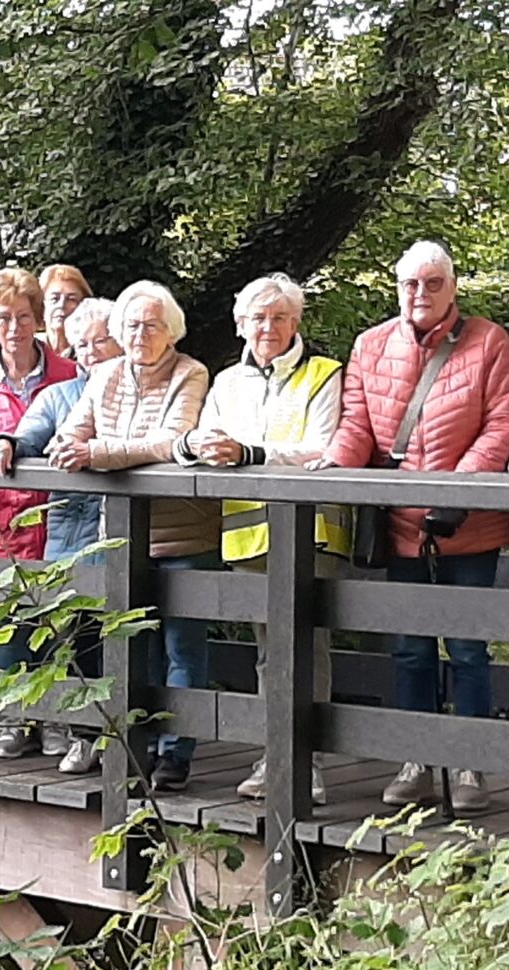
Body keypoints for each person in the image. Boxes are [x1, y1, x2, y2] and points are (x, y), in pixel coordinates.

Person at [314, 240, 509, 817]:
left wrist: (458, 490)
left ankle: (468, 760)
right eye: (411, 283)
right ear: (396, 286)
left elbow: (503, 424)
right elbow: (358, 423)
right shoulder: (370, 345)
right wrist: (333, 465)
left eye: (434, 283)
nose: (421, 294)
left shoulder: (489, 342)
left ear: (453, 287)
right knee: (408, 649)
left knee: (467, 646)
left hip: (469, 523)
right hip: (399, 520)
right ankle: (414, 759)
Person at [177, 273, 343, 801]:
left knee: (305, 649)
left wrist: (249, 453)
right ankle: (274, 754)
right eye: (256, 318)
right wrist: (198, 447)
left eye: (278, 317)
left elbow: (321, 446)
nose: (267, 328)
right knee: (268, 653)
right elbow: (203, 436)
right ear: (239, 324)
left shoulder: (324, 373)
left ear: (296, 322)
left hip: (311, 531)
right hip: (248, 534)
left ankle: (304, 764)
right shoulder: (226, 382)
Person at [49, 281, 214, 791]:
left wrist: (98, 454)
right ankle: (133, 748)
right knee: (127, 647)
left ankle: (175, 756)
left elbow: (171, 441)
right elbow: (69, 434)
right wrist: (77, 447)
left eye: (152, 325)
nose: (141, 334)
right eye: (132, 325)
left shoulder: (191, 372)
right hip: (119, 535)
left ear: (172, 331)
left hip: (184, 533)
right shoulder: (103, 374)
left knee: (183, 648)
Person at [0, 267, 79, 759]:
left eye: (24, 317)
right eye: (4, 317)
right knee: (6, 623)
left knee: (58, 621)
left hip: (58, 516)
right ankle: (12, 721)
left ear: (37, 319)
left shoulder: (68, 375)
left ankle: (57, 722)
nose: (14, 327)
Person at [0, 297, 118, 774]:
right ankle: (82, 736)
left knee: (126, 643)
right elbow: (30, 432)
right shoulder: (61, 396)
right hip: (72, 539)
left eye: (101, 341)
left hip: (133, 540)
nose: (92, 353)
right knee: (79, 640)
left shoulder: (144, 392)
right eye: (82, 345)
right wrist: (7, 443)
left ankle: (128, 742)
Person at [39, 264, 92, 358]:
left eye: (71, 299)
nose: (61, 305)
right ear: (42, 305)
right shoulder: (31, 351)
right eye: (54, 298)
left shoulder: (91, 352)